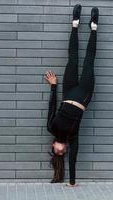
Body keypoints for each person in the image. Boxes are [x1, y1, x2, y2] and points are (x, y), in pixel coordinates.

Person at [44, 4, 99, 187]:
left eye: (57, 153)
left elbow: (52, 106)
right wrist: (72, 182)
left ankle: (74, 24)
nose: (61, 152)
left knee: (73, 58)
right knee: (89, 62)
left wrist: (53, 87)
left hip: (67, 92)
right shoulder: (72, 138)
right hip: (83, 94)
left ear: (53, 147)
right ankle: (93, 28)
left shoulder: (51, 128)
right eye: (63, 153)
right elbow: (73, 160)